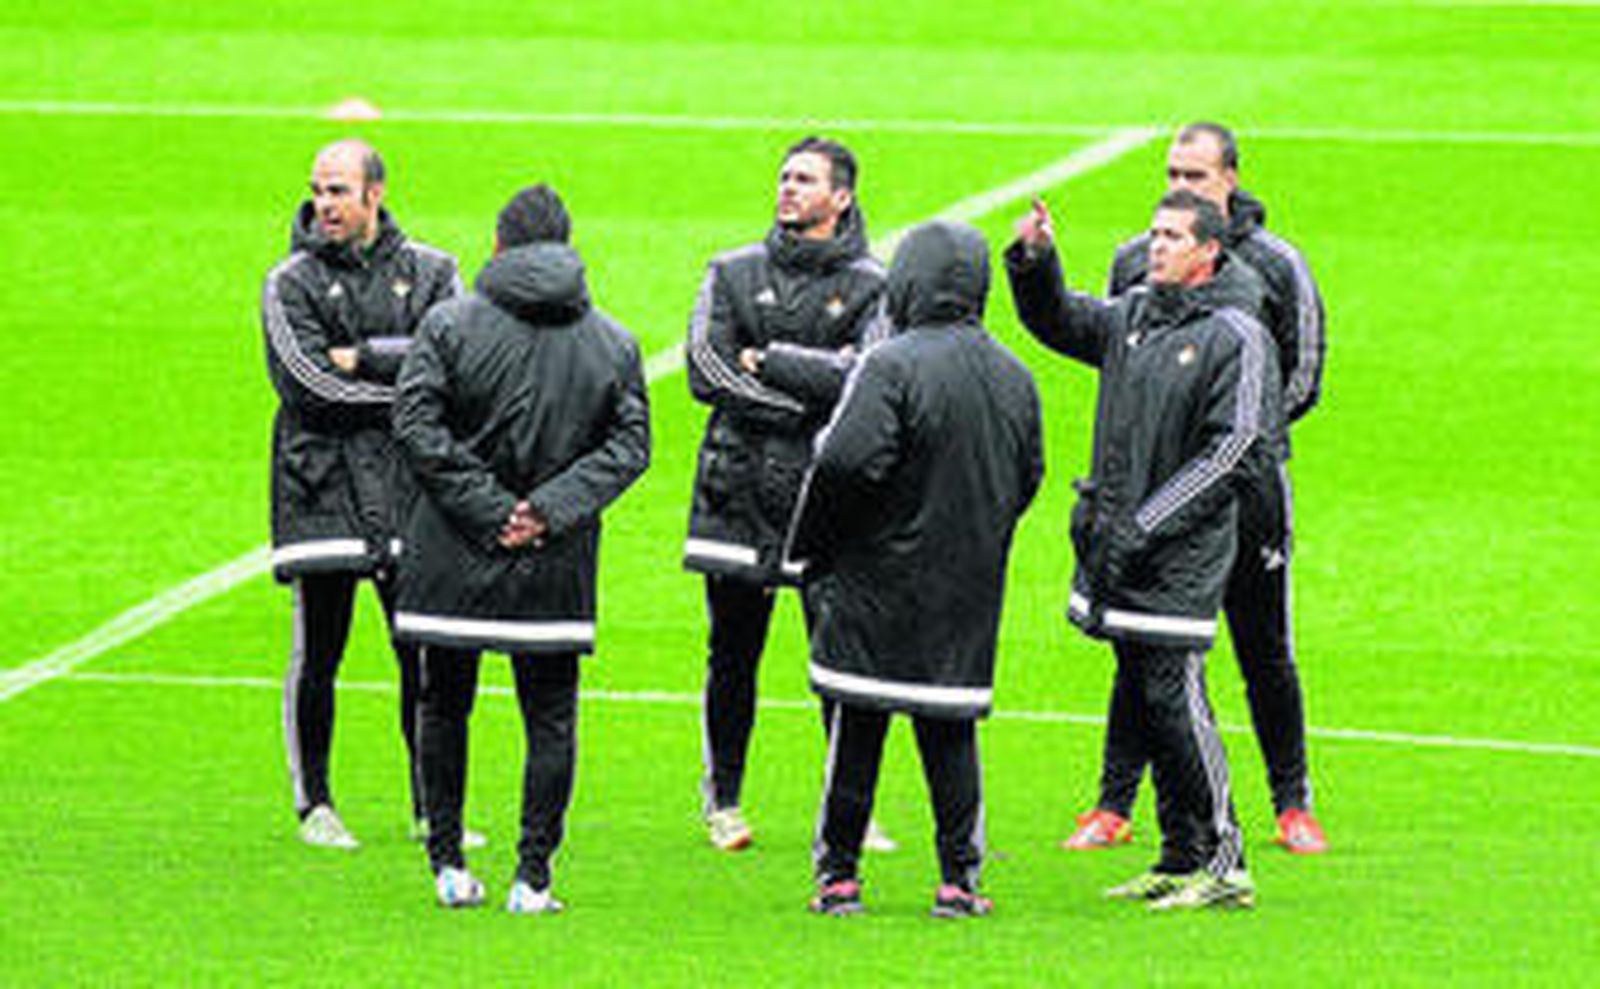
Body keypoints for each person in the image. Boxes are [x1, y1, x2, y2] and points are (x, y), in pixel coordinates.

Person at [1005, 190, 1284, 910]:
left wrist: (1148, 522)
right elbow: (1057, 319)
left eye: (1172, 236)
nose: (1156, 245)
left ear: (1208, 252)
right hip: (1121, 548)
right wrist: (1035, 260)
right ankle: (1179, 853)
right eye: (1154, 233)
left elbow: (1238, 449)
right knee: (1145, 694)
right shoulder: (1132, 315)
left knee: (1175, 696)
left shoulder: (1238, 335)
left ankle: (1227, 861)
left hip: (1179, 556)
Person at [1064, 121, 1328, 855]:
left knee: (1263, 645)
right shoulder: (1134, 260)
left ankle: (1292, 802)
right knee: (1142, 642)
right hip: (1160, 487)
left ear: (1230, 179)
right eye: (1173, 174)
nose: (1181, 185)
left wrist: (1237, 433)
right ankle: (1114, 802)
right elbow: (1123, 360)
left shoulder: (1278, 265)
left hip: (1246, 490)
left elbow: (1304, 372)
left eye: (1196, 175)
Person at [390, 185, 650, 912]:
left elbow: (414, 424)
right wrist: (545, 512)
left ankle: (447, 865)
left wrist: (490, 508)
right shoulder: (613, 341)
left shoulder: (446, 324)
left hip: (452, 555)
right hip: (553, 564)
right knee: (552, 717)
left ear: (498, 245)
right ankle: (533, 878)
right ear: (567, 246)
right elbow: (630, 446)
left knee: (444, 704)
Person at [791, 220, 1043, 919]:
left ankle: (839, 877)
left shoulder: (889, 364)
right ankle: (959, 880)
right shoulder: (1015, 375)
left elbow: (843, 461)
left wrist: (818, 545)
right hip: (966, 586)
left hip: (877, 580)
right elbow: (1027, 476)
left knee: (857, 729)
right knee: (950, 730)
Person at [683, 136, 894, 852]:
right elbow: (706, 369)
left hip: (825, 493)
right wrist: (801, 400)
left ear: (842, 196)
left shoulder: (873, 285)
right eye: (784, 177)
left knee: (837, 659)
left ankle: (851, 808)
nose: (788, 188)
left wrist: (770, 362)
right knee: (732, 652)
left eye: (804, 179)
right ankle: (724, 800)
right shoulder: (731, 270)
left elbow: (866, 377)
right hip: (736, 488)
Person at [261, 138, 465, 850]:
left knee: (422, 654)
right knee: (321, 649)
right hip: (319, 486)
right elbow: (309, 387)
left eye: (338, 191)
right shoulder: (289, 282)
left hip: (409, 489)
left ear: (375, 194)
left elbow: (455, 368)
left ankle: (430, 807)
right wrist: (404, 389)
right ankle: (315, 803)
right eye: (318, 190)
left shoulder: (435, 271)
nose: (324, 204)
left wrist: (365, 358)